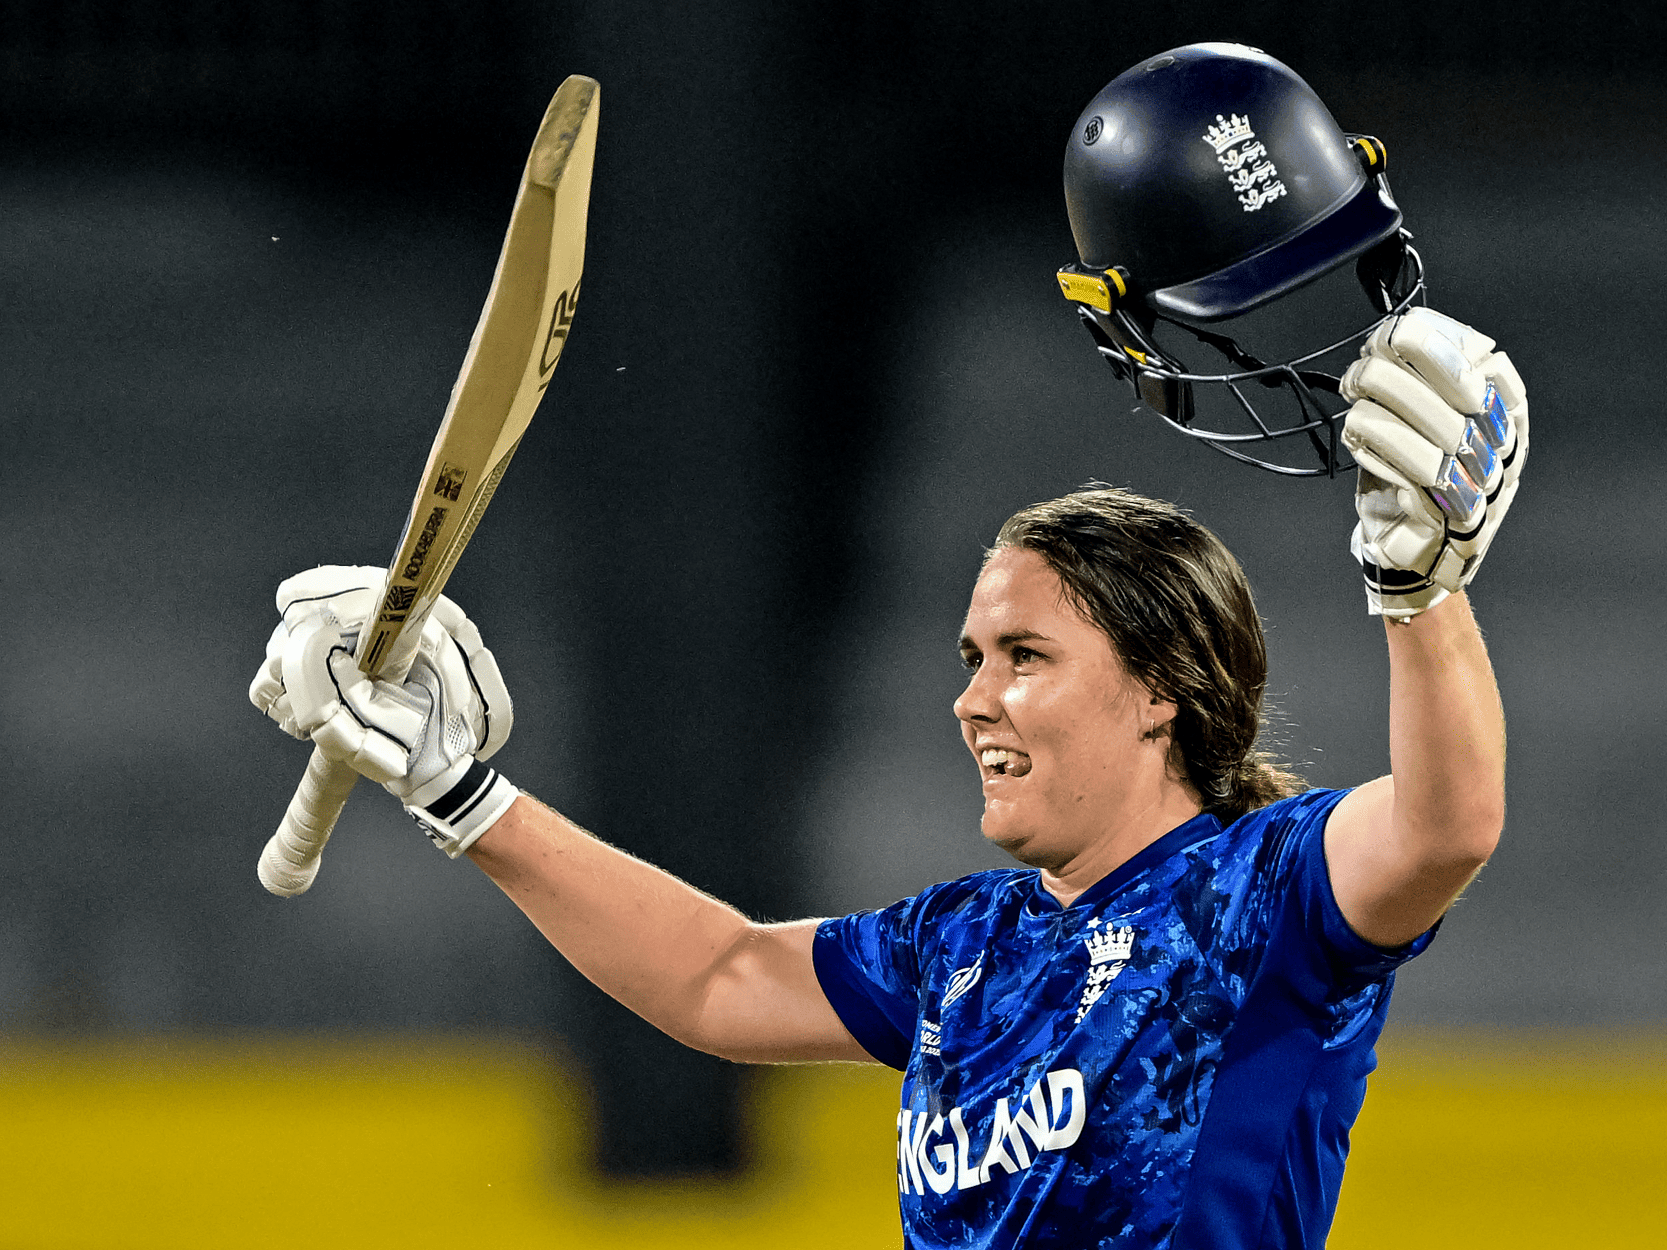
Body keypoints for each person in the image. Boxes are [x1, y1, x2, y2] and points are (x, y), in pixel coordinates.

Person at [247, 42, 1527, 1250]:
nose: (974, 700)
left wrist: (1417, 589)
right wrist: (465, 797)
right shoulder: (958, 945)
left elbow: (1443, 823)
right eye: (971, 657)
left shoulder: (1260, 892)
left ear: (1157, 692)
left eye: (1022, 654)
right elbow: (718, 975)